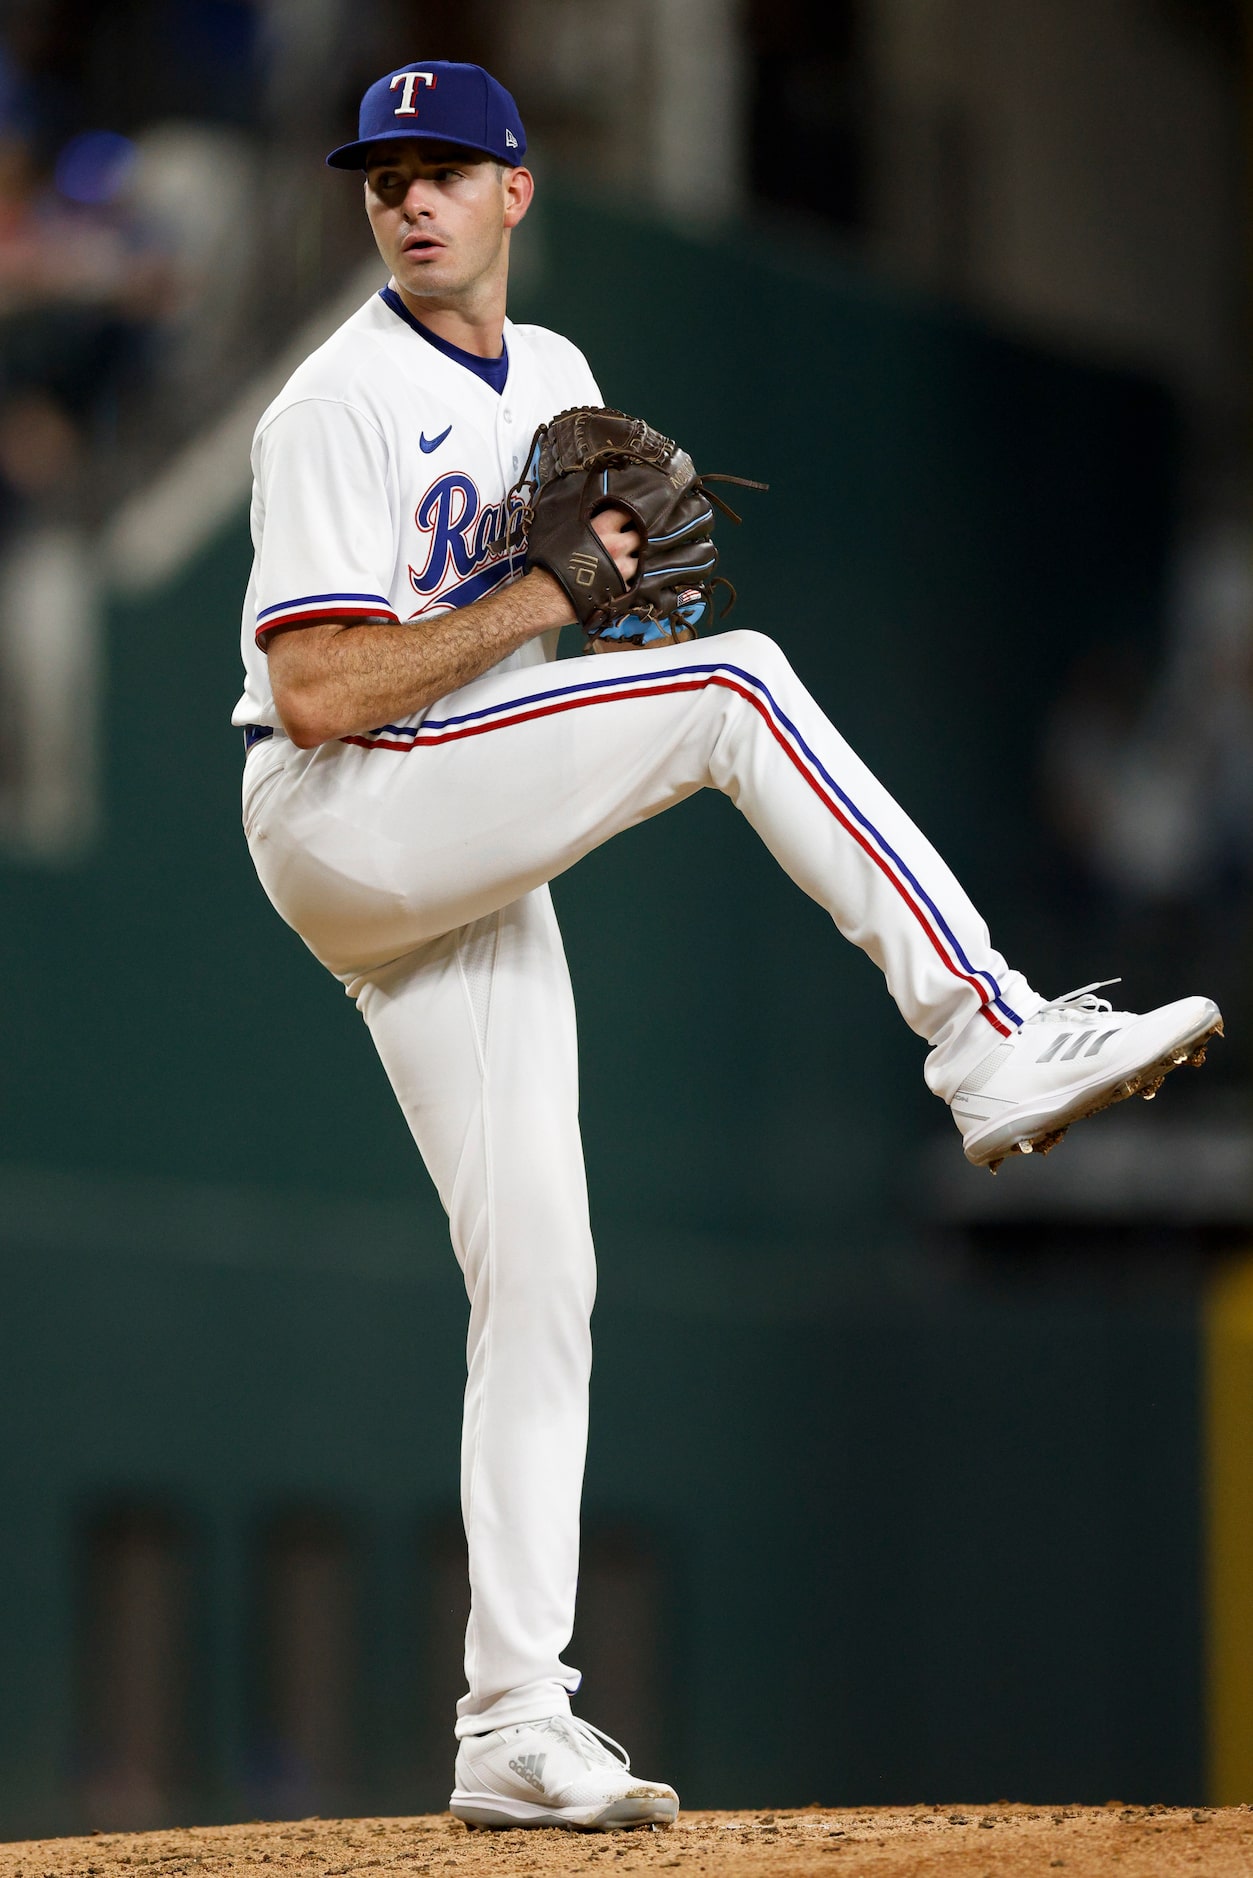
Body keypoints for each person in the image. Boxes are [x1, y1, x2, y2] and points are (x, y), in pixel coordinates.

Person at [232, 60, 1221, 1831]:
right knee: (737, 683)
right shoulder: (333, 402)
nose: (409, 198)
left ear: (518, 190)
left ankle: (510, 1719)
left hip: (455, 822)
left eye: (444, 166)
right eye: (383, 174)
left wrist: (591, 633)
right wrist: (552, 599)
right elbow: (313, 687)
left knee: (542, 1276)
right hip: (342, 813)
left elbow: (565, 653)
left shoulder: (556, 380)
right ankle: (984, 1030)